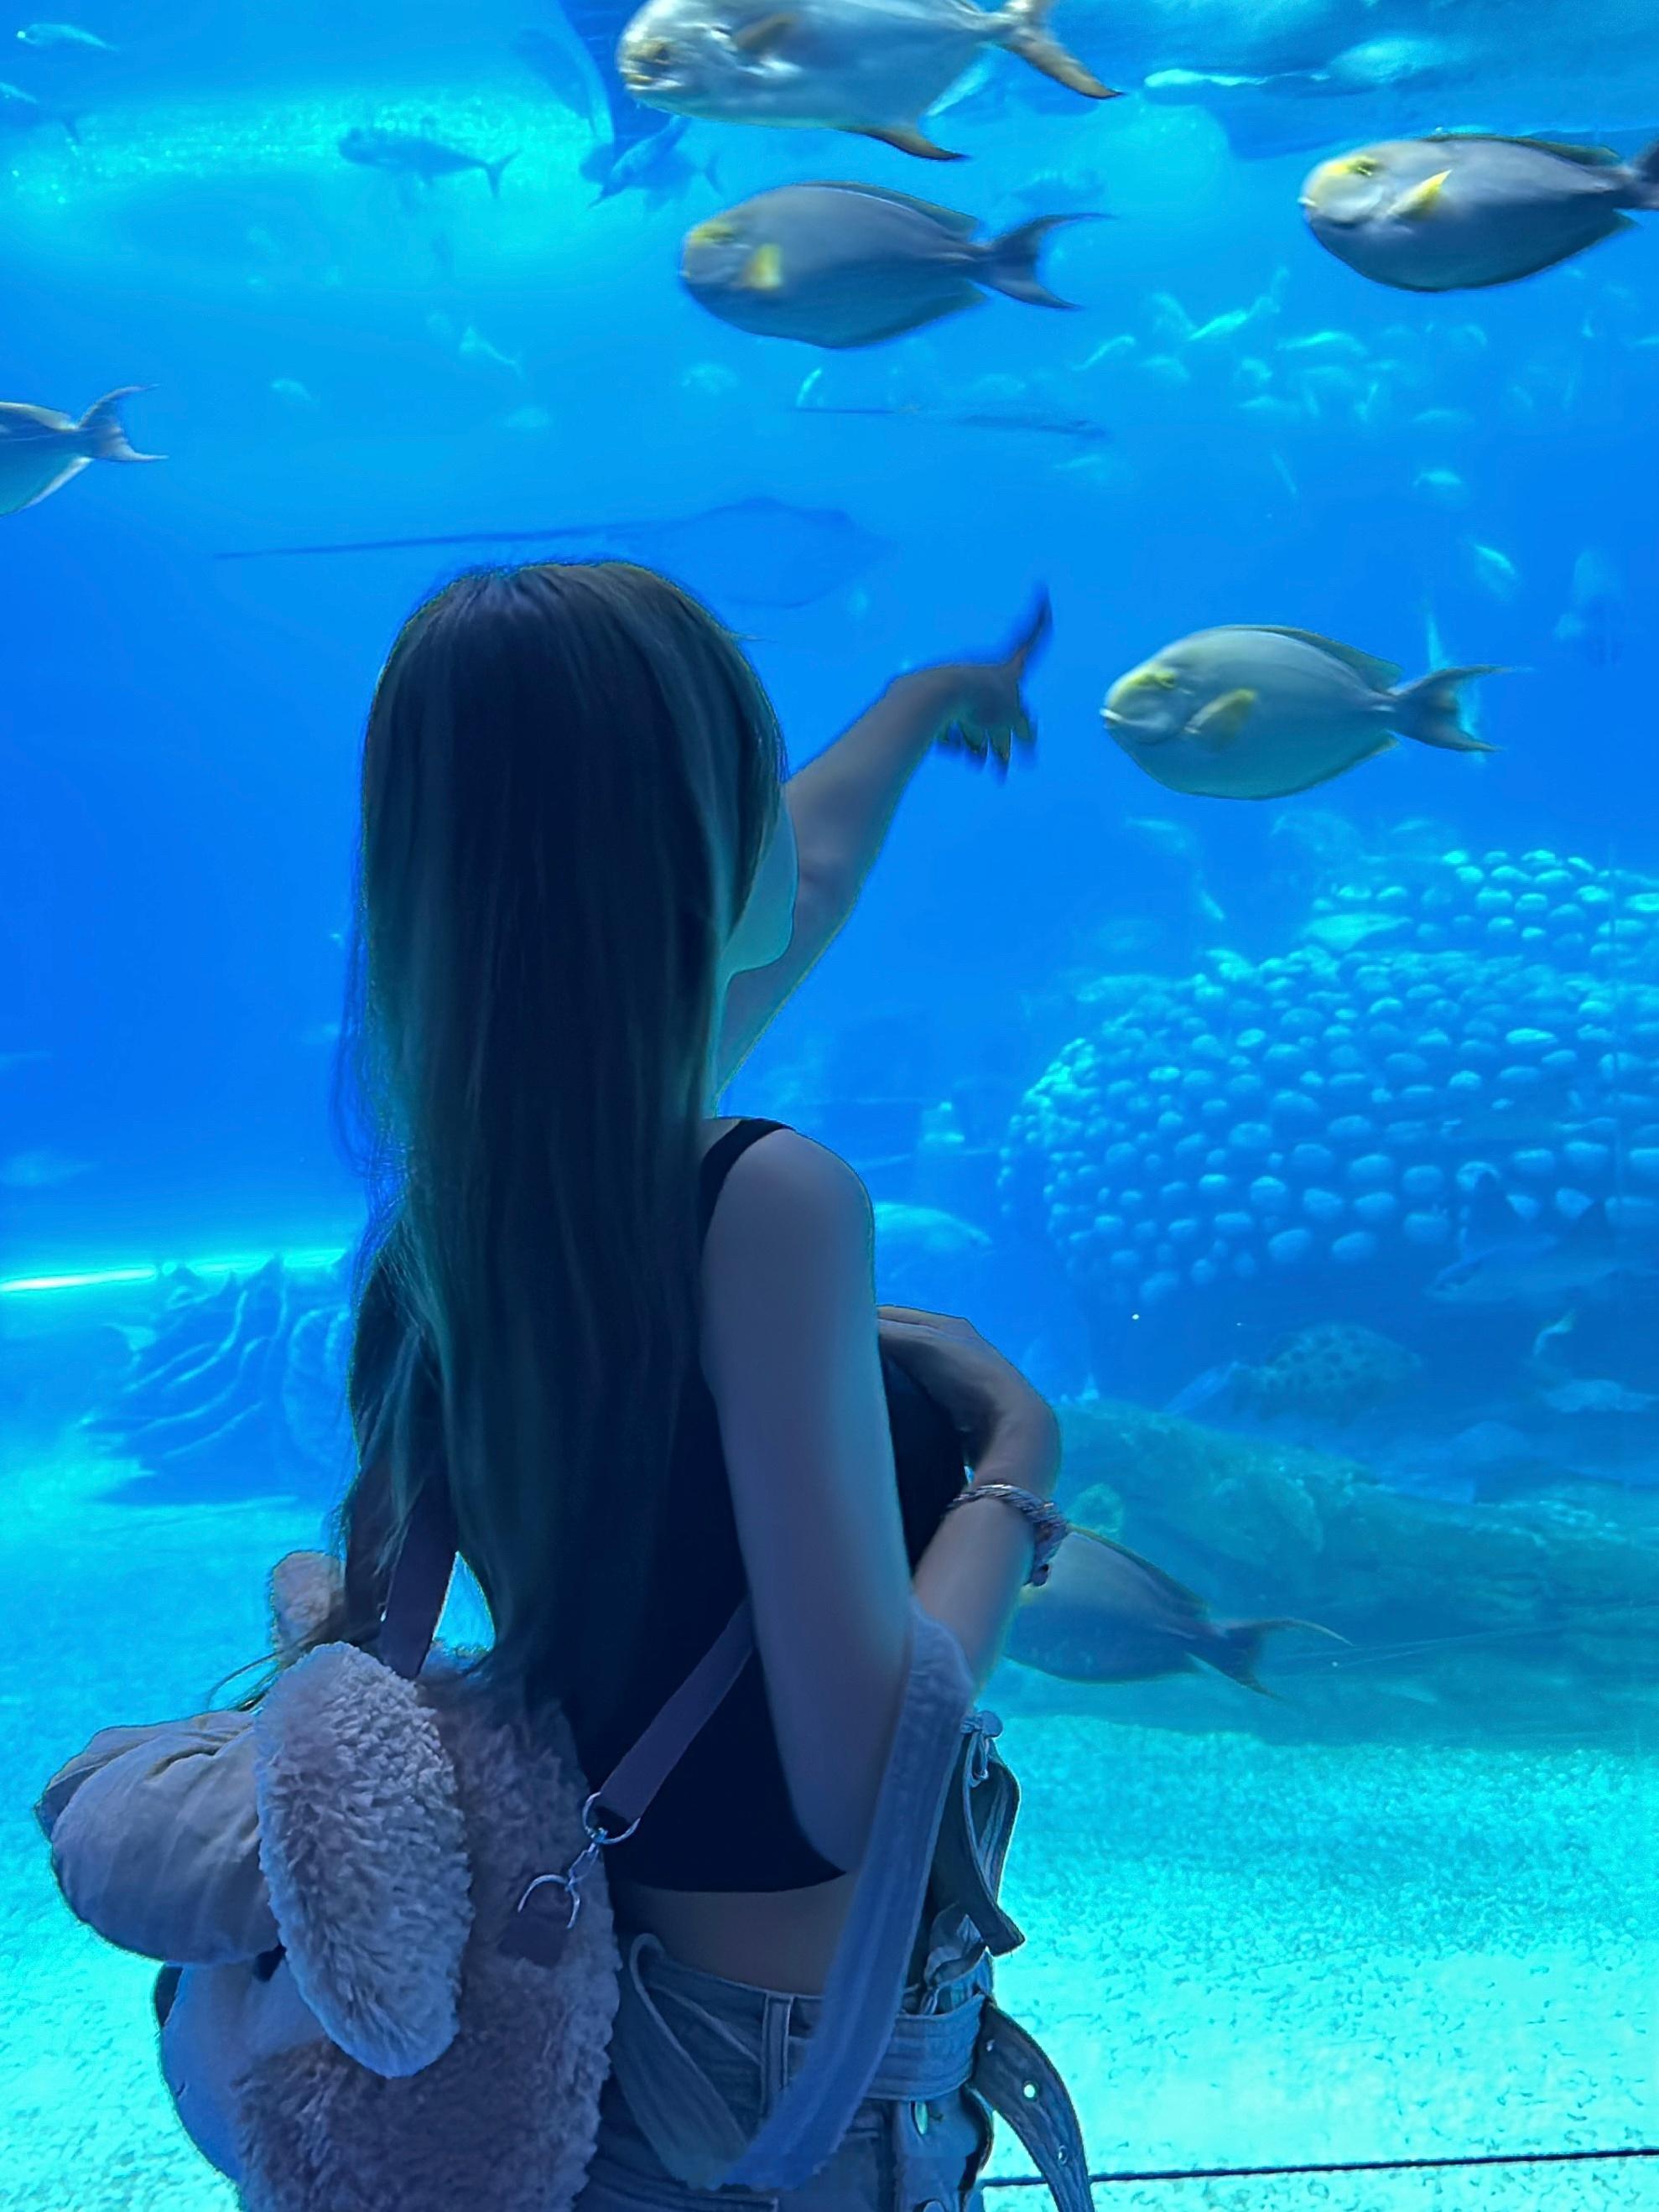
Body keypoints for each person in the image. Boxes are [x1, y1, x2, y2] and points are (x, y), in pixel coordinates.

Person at [327, 559, 1070, 2211]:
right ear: (681, 847)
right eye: (751, 769)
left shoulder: (481, 1184)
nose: (782, 825)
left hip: (602, 2012)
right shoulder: (767, 1201)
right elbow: (861, 1770)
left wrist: (922, 702)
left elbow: (810, 866)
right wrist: (1018, 1462)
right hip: (777, 2085)